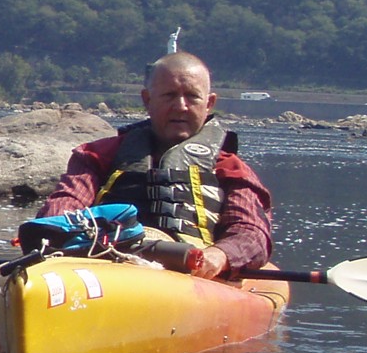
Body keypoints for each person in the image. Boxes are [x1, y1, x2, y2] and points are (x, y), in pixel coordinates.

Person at [37, 51, 272, 279]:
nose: (181, 106)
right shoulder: (97, 156)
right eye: (169, 95)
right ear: (147, 100)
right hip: (109, 264)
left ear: (209, 104)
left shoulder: (230, 168)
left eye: (192, 96)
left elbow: (251, 232)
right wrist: (51, 236)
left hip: (190, 271)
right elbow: (65, 204)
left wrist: (220, 255)